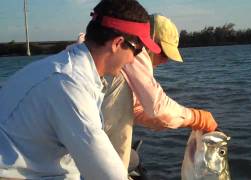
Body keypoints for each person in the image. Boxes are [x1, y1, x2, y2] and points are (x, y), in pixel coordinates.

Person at [0, 0, 161, 179]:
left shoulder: (61, 68)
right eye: (137, 51)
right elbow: (109, 175)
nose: (133, 60)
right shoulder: (70, 84)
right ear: (117, 43)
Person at [97, 14, 218, 169]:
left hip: (90, 143)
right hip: (91, 155)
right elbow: (158, 107)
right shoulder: (133, 53)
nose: (165, 61)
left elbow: (137, 109)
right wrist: (196, 118)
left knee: (132, 159)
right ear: (148, 42)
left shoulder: (108, 51)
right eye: (163, 53)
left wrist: (180, 122)